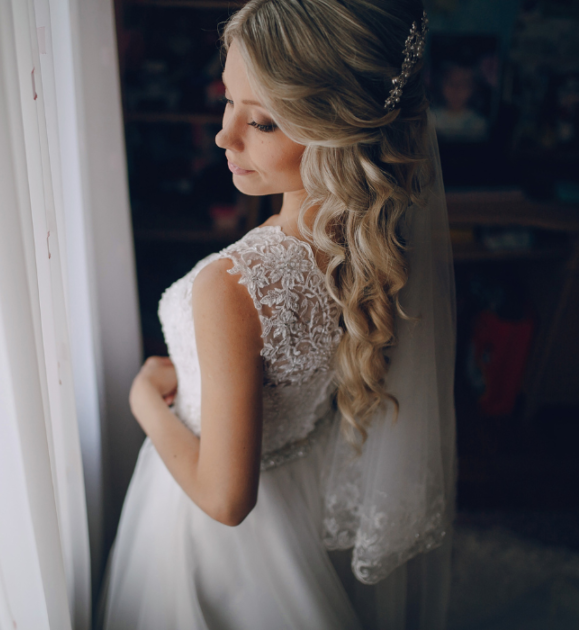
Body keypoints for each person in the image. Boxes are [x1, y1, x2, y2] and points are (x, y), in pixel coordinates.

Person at [96, 1, 456, 628]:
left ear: (335, 127)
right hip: (302, 492)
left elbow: (225, 498)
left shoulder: (233, 286)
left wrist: (144, 402)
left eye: (260, 122)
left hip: (218, 540)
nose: (223, 135)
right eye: (226, 101)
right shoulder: (374, 237)